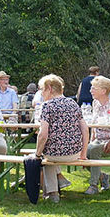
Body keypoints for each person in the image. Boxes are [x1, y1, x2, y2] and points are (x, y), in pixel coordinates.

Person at [33, 74, 88, 203]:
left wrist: (37, 154)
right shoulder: (73, 103)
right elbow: (85, 129)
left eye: (42, 89)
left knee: (45, 155)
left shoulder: (47, 106)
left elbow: (43, 135)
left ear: (49, 88)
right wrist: (83, 153)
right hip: (74, 153)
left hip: (54, 154)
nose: (42, 93)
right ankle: (59, 182)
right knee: (48, 154)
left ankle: (53, 193)